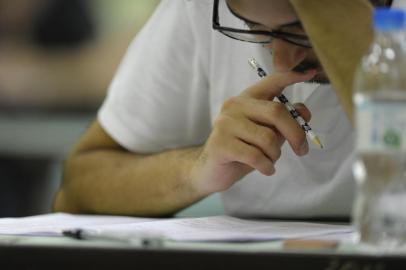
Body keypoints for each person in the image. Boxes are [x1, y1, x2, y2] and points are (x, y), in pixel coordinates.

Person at [53, 0, 402, 218]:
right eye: (253, 29)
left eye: (302, 32)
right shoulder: (202, 8)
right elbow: (78, 187)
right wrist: (197, 170)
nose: (280, 62)